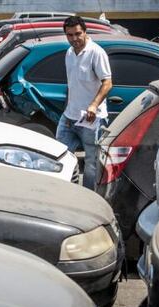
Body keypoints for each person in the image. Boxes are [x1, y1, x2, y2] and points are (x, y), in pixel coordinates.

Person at [56, 16, 112, 190]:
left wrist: (94, 105)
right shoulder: (69, 53)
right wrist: (67, 108)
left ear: (85, 32)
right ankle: (60, 192)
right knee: (57, 155)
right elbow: (72, 85)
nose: (74, 39)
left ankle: (88, 198)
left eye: (78, 34)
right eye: (70, 35)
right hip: (69, 117)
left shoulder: (96, 52)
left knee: (91, 164)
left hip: (91, 120)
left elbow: (108, 82)